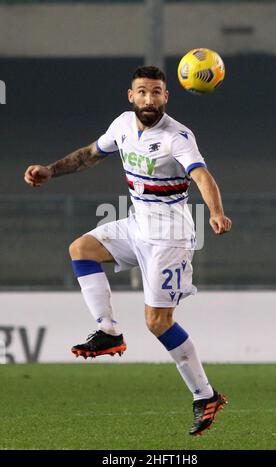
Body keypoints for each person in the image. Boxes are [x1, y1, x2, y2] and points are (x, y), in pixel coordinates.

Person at [24, 65, 232, 436]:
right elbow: (90, 153)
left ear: (166, 97)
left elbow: (201, 174)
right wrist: (50, 170)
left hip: (169, 237)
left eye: (156, 92)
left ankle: (206, 395)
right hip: (136, 225)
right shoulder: (122, 124)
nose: (149, 99)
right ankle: (108, 331)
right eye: (142, 92)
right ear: (131, 96)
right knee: (82, 248)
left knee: (157, 323)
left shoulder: (177, 136)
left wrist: (215, 212)